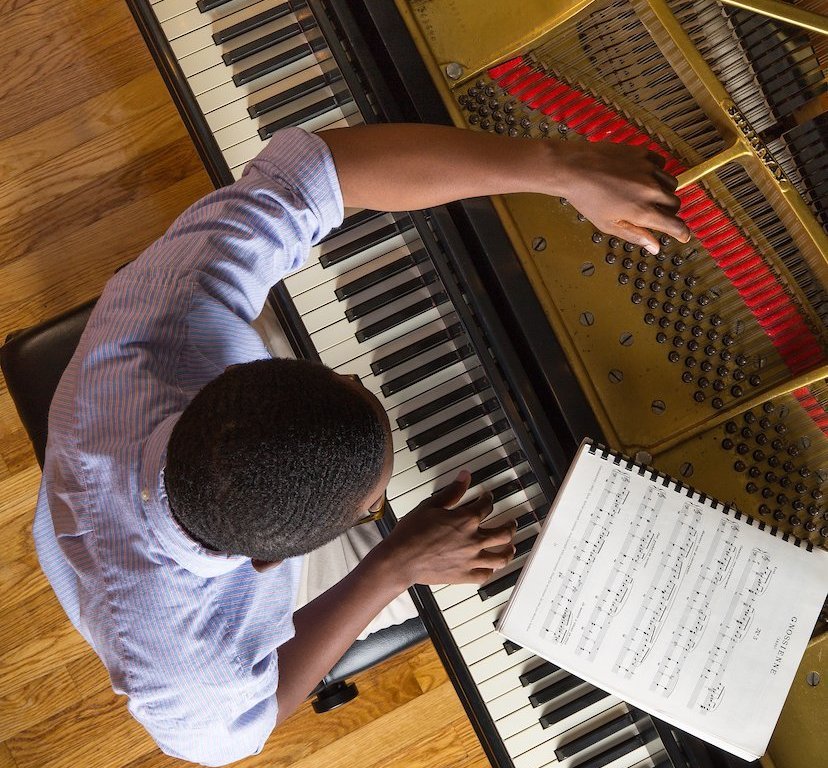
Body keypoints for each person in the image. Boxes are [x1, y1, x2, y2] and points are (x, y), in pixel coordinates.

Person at [33, 123, 689, 766]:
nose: (353, 375)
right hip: (153, 579)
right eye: (375, 504)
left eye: (342, 381)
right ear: (269, 565)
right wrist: (392, 564)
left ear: (239, 376)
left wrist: (561, 167)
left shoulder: (160, 317)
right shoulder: (187, 670)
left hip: (145, 471)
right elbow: (241, 730)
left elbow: (316, 172)